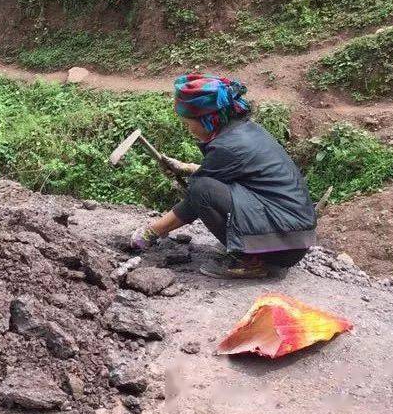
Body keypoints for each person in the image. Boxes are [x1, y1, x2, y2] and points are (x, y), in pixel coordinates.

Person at [131, 74, 316, 279]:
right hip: (294, 237)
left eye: (188, 123)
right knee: (201, 186)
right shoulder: (244, 130)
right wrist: (186, 167)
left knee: (200, 188)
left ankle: (251, 260)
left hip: (284, 244)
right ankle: (252, 247)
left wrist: (152, 231)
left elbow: (199, 194)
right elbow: (234, 171)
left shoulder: (226, 147)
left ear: (207, 120)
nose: (188, 129)